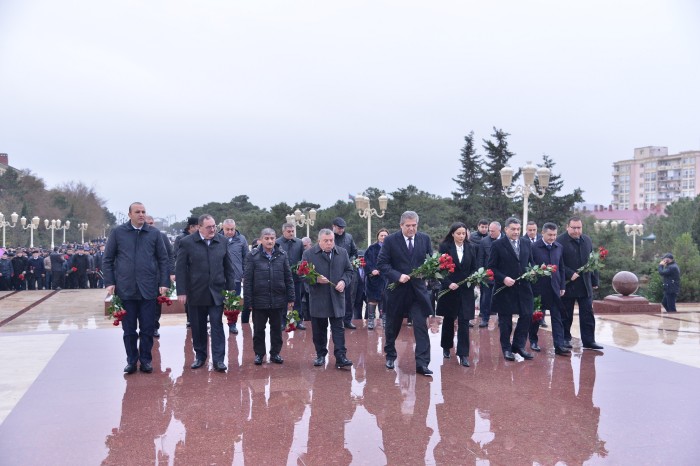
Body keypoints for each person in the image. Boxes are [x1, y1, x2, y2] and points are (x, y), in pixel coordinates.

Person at [103, 202, 169, 374]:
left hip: (148, 290)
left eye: (143, 212)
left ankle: (146, 360)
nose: (141, 214)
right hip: (126, 289)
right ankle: (131, 360)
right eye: (137, 212)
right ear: (129, 214)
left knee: (147, 328)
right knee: (129, 330)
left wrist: (164, 283)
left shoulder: (154, 233)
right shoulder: (118, 233)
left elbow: (163, 259)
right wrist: (110, 281)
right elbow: (108, 259)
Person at [176, 214, 235, 372]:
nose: (213, 229)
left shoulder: (222, 241)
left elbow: (228, 266)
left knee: (217, 325)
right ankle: (200, 356)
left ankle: (218, 360)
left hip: (216, 291)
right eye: (209, 227)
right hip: (196, 292)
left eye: (214, 226)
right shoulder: (186, 242)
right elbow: (180, 268)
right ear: (199, 227)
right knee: (198, 326)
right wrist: (181, 291)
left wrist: (231, 289)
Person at [377, 211, 434, 376]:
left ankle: (422, 364)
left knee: (421, 326)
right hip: (397, 290)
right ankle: (390, 355)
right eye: (408, 226)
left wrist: (428, 273)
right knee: (393, 326)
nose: (411, 229)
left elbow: (430, 261)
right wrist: (397, 275)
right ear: (401, 225)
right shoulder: (390, 240)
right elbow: (382, 263)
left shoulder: (424, 239)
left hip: (418, 292)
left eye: (414, 225)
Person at [302, 228, 354, 369]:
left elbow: (349, 271)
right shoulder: (309, 254)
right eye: (326, 241)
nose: (329, 243)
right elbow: (302, 274)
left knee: (338, 329)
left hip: (337, 297)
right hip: (319, 298)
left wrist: (344, 281)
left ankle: (341, 357)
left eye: (331, 240)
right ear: (319, 241)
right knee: (319, 330)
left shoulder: (342, 253)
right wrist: (316, 279)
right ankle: (320, 355)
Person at [243, 228, 295, 365]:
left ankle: (275, 354)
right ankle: (259, 354)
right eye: (266, 238)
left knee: (277, 329)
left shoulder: (282, 255)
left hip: (278, 300)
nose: (270, 241)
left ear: (275, 238)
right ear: (261, 239)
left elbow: (288, 277)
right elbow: (247, 280)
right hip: (259, 300)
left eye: (272, 238)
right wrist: (248, 301)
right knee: (259, 329)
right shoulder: (252, 256)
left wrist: (291, 297)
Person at [488, 217, 535, 362]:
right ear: (506, 229)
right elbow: (491, 268)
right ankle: (506, 349)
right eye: (513, 229)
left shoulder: (526, 243)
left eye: (518, 229)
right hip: (505, 288)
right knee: (505, 321)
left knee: (527, 315)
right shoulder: (497, 245)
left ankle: (519, 346)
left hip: (524, 288)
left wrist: (533, 271)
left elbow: (530, 262)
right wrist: (503, 278)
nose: (516, 232)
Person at [558, 216, 604, 351]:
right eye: (574, 228)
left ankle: (589, 341)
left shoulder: (587, 240)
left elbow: (593, 261)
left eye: (579, 228)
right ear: (567, 227)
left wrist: (595, 280)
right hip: (568, 284)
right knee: (566, 315)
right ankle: (565, 339)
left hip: (585, 284)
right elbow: (556, 262)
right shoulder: (560, 241)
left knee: (587, 314)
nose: (577, 231)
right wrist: (568, 273)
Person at [436, 222, 477, 367]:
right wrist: (448, 283)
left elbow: (475, 268)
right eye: (458, 233)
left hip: (465, 289)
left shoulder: (471, 247)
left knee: (464, 321)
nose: (461, 236)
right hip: (450, 289)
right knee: (449, 319)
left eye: (463, 233)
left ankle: (464, 354)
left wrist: (471, 279)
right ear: (452, 233)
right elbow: (440, 269)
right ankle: (446, 347)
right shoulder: (445, 247)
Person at [529, 222, 570, 356]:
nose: (552, 238)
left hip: (555, 288)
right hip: (538, 289)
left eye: (554, 235)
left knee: (557, 317)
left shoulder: (559, 247)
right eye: (550, 235)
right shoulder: (534, 247)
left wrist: (562, 286)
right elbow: (529, 266)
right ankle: (533, 341)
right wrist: (536, 270)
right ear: (543, 233)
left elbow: (562, 268)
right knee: (536, 317)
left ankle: (559, 345)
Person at [145, 215, 175, 338]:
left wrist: (171, 273)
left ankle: (154, 327)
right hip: (142, 277)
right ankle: (144, 327)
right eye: (148, 223)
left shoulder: (161, 236)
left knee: (156, 304)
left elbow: (170, 255)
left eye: (152, 223)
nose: (150, 225)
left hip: (157, 276)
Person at [276, 222, 306, 330]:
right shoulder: (277, 243)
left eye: (293, 231)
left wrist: (301, 268)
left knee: (297, 300)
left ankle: (298, 321)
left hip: (296, 277)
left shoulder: (299, 242)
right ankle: (282, 322)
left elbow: (303, 258)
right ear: (283, 231)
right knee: (283, 300)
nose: (291, 233)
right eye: (289, 231)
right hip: (282, 277)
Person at [221, 218, 248, 332]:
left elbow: (246, 258)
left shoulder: (241, 239)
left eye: (232, 229)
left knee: (233, 303)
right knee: (218, 302)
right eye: (227, 229)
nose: (230, 231)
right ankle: (216, 325)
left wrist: (245, 274)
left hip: (235, 277)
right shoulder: (217, 239)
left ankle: (232, 324)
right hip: (219, 277)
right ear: (223, 228)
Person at [332, 217, 359, 329]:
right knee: (336, 296)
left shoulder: (348, 237)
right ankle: (337, 320)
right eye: (339, 228)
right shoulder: (329, 237)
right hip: (333, 271)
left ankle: (347, 320)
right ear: (333, 226)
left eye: (343, 228)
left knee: (349, 296)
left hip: (348, 271)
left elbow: (354, 252)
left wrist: (351, 261)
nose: (341, 230)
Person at [174, 216, 199, 328]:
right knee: (188, 298)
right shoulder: (181, 239)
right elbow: (177, 256)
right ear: (192, 227)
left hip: (199, 274)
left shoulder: (200, 237)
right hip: (187, 273)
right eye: (198, 226)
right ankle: (190, 318)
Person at [476, 221, 501, 327]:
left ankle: (502, 319)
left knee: (502, 297)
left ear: (499, 230)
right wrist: (480, 274)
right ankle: (485, 319)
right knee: (486, 297)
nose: (490, 233)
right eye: (489, 231)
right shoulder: (484, 242)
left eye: (492, 231)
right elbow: (480, 258)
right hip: (488, 274)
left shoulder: (505, 240)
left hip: (502, 275)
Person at [363, 228, 389, 329]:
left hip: (386, 278)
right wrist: (371, 270)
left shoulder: (391, 248)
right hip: (373, 279)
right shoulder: (371, 248)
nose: (383, 237)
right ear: (378, 236)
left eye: (385, 236)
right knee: (372, 300)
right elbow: (366, 261)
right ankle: (370, 320)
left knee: (385, 300)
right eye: (381, 235)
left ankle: (384, 320)